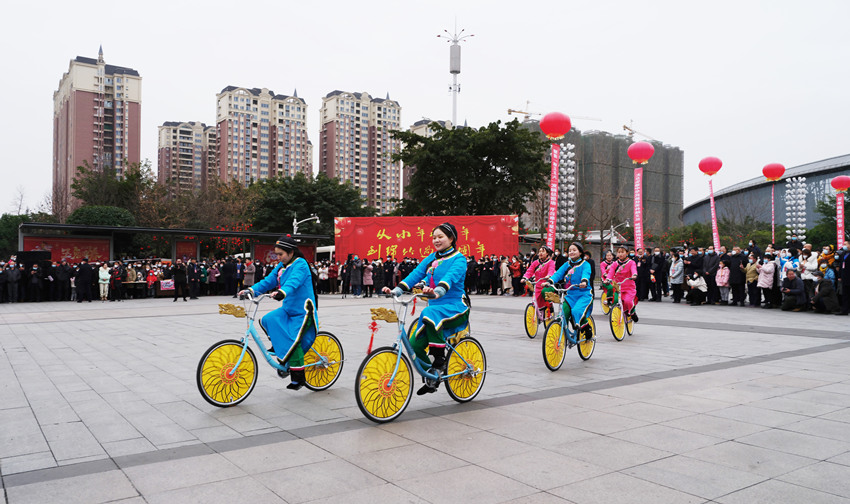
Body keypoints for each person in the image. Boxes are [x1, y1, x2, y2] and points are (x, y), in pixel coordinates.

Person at [385, 223, 469, 396]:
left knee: (428, 312)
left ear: (451, 238)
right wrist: (396, 290)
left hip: (456, 308)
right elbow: (416, 274)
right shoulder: (431, 258)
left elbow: (450, 277)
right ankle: (433, 376)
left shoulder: (459, 259)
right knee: (414, 344)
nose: (436, 240)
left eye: (441, 237)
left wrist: (438, 291)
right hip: (435, 310)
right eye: (434, 237)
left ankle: (440, 359)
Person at [240, 236, 319, 390]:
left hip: (304, 311)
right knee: (269, 319)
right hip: (288, 309)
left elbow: (293, 282)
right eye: (276, 254)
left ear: (291, 252)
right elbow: (268, 281)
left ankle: (298, 378)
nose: (278, 257)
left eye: (281, 254)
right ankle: (282, 350)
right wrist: (251, 290)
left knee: (292, 340)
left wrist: (282, 291)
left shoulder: (300, 264)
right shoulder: (281, 266)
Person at [545, 242, 593, 335]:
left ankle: (587, 328)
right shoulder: (567, 264)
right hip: (570, 295)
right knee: (563, 314)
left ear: (580, 252)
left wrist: (584, 281)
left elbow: (586, 273)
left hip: (583, 294)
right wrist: (550, 281)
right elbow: (558, 273)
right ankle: (561, 336)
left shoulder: (585, 264)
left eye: (574, 250)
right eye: (570, 250)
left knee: (576, 311)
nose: (571, 252)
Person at [521, 246, 557, 321]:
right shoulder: (535, 262)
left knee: (545, 296)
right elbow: (530, 271)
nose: (540, 253)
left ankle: (550, 307)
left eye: (543, 251)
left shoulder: (551, 262)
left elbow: (551, 270)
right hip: (537, 284)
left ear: (547, 253)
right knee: (536, 300)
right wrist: (525, 278)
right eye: (539, 251)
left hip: (546, 284)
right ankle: (539, 313)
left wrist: (549, 276)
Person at [605, 246, 639, 321]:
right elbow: (611, 273)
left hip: (629, 287)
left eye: (622, 252)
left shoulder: (631, 262)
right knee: (615, 301)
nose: (620, 254)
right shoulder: (615, 264)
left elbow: (634, 270)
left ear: (627, 253)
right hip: (618, 287)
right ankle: (619, 316)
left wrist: (634, 275)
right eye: (619, 252)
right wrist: (608, 279)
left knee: (628, 301)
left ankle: (632, 312)